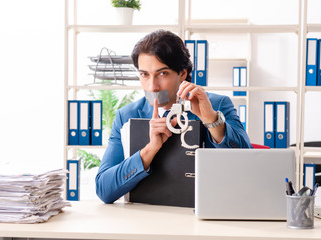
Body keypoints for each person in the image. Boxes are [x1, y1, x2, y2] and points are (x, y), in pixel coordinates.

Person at [96, 30, 252, 204]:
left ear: (183, 74)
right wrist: (149, 150)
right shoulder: (127, 116)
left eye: (162, 74)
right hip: (148, 217)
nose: (152, 86)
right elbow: (104, 189)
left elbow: (248, 166)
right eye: (144, 74)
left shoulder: (217, 104)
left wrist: (212, 120)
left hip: (207, 212)